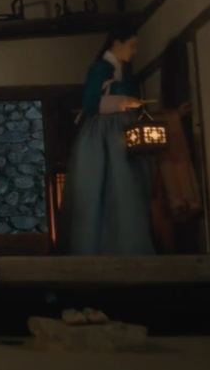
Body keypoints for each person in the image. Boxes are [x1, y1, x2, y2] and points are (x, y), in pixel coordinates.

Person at [62, 25, 155, 256]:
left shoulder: (123, 71)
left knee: (129, 190)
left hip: (124, 131)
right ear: (117, 43)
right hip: (103, 133)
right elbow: (91, 104)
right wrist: (123, 102)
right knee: (102, 185)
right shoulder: (100, 68)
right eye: (131, 46)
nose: (134, 51)